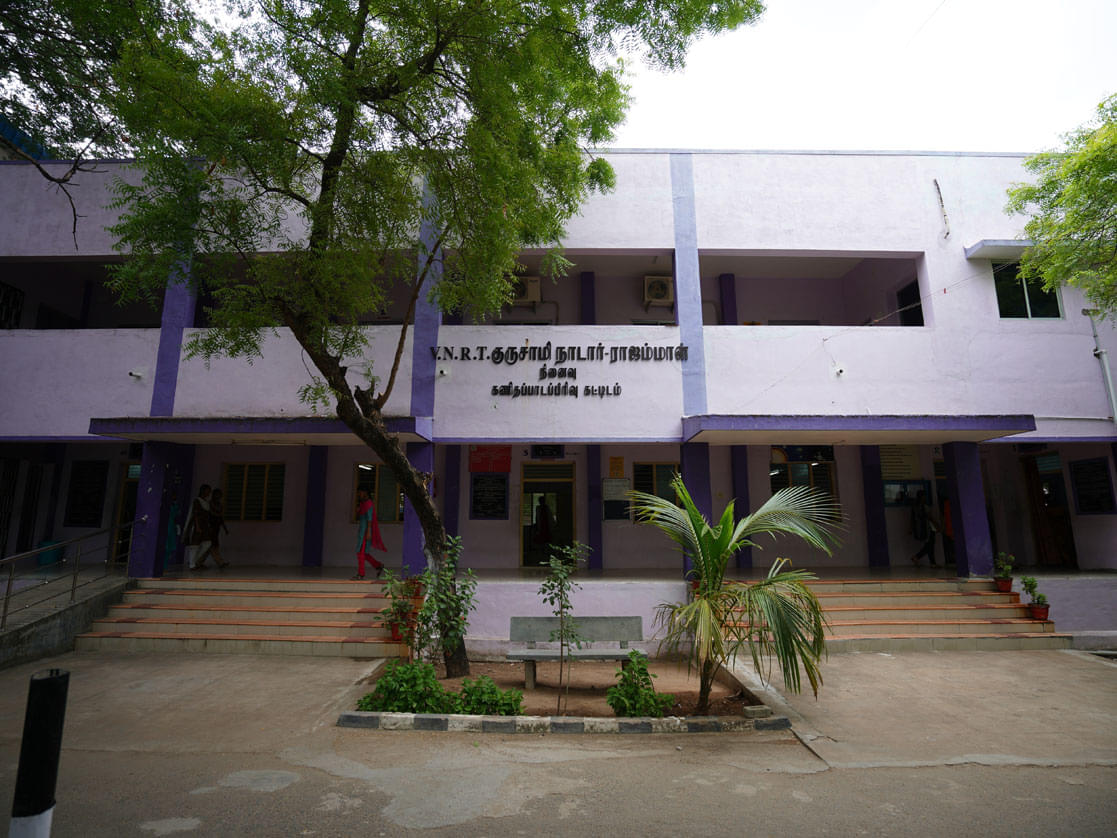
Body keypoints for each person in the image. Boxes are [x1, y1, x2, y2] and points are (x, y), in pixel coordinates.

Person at [353, 488, 386, 580]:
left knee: (360, 553)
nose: (359, 494)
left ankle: (361, 574)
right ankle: (378, 565)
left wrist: (368, 532)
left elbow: (369, 519)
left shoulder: (369, 504)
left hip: (366, 532)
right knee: (364, 553)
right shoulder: (363, 504)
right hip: (362, 532)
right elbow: (359, 516)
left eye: (360, 492)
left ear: (365, 492)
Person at [195, 488, 230, 569]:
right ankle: (220, 562)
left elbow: (220, 518)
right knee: (211, 545)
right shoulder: (209, 504)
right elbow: (208, 516)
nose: (218, 497)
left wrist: (225, 528)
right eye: (217, 494)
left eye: (220, 495)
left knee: (210, 546)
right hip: (210, 527)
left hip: (216, 528)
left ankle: (198, 562)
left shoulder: (220, 505)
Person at [182, 484, 213, 571]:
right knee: (195, 545)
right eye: (207, 490)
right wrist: (197, 527)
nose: (209, 493)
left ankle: (194, 561)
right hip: (197, 525)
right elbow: (195, 514)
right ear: (203, 491)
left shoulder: (206, 502)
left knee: (207, 543)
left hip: (205, 526)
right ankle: (192, 565)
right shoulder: (197, 501)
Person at [909, 489, 941, 568]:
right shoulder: (924, 507)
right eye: (924, 496)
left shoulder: (915, 507)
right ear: (922, 497)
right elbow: (930, 518)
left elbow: (912, 519)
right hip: (928, 528)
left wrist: (911, 528)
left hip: (921, 529)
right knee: (929, 545)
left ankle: (932, 563)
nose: (925, 497)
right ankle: (916, 557)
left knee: (930, 545)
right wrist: (937, 525)